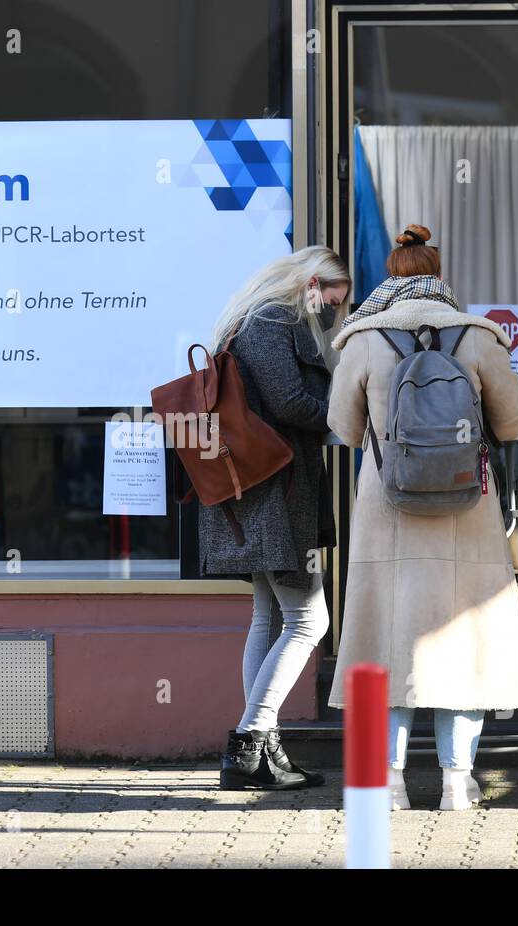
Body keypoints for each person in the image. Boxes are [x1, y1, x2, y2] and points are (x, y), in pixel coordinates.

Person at [326, 224, 518, 810]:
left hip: (386, 509)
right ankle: (455, 782)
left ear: (391, 275)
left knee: (383, 641)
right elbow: (515, 421)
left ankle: (388, 783)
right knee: (462, 642)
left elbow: (342, 430)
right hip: (467, 506)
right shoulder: (475, 335)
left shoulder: (362, 337)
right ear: (438, 276)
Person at [200, 245, 351, 790]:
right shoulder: (271, 320)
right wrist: (347, 417)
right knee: (311, 622)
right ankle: (247, 744)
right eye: (332, 301)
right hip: (274, 497)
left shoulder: (251, 319)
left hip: (261, 494)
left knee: (268, 619)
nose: (332, 313)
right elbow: (288, 401)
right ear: (312, 283)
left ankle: (265, 752)